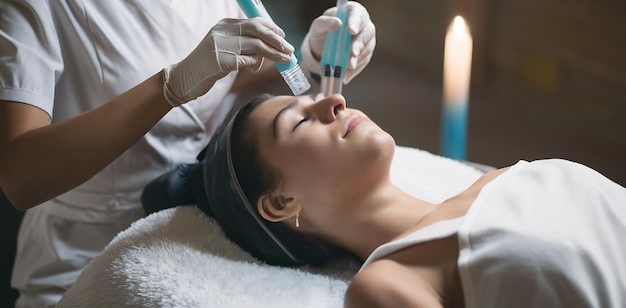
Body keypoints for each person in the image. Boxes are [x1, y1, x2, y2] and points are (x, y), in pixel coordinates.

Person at [0, 0, 376, 306]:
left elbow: (230, 69)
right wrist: (169, 88)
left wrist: (311, 60)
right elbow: (20, 178)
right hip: (84, 254)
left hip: (205, 233)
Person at [147, 92, 626, 307]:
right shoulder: (387, 285)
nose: (331, 103)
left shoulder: (496, 179)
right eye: (299, 121)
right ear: (280, 202)